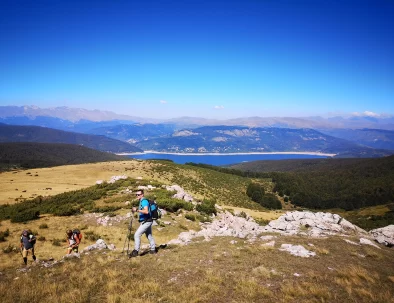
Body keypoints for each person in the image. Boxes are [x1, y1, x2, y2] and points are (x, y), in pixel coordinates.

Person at [130, 189, 156, 257]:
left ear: (142, 195)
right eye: (136, 194)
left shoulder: (144, 201)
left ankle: (135, 251)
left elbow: (146, 211)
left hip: (146, 221)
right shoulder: (142, 201)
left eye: (138, 194)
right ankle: (153, 250)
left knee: (136, 235)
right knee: (149, 235)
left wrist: (137, 210)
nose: (137, 196)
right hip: (147, 220)